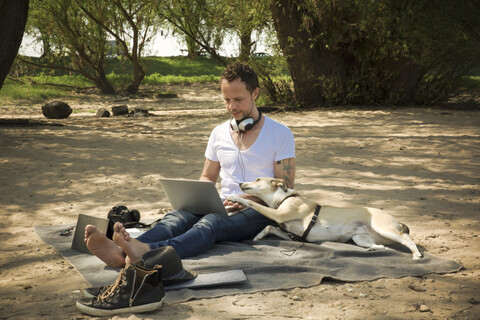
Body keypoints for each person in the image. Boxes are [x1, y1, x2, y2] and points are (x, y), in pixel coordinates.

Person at [85, 62, 296, 266]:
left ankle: (146, 252)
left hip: (260, 211)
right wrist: (201, 197)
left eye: (238, 99)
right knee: (176, 218)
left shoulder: (280, 133)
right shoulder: (218, 133)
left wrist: (246, 198)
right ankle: (122, 251)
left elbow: (284, 188)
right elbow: (207, 177)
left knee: (210, 223)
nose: (232, 107)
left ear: (255, 94)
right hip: (223, 205)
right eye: (226, 100)